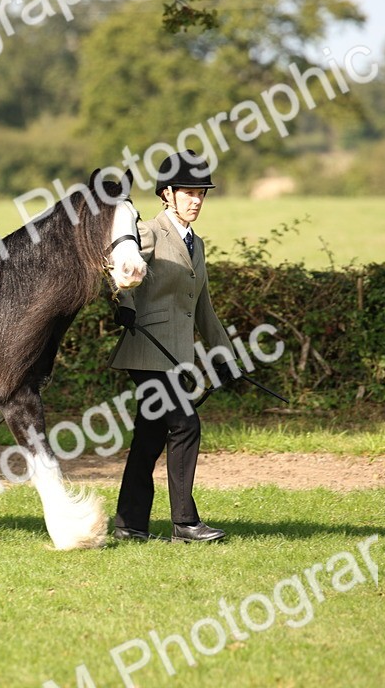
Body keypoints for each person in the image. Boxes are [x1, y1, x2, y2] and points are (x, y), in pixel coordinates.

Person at [108, 150, 238, 543]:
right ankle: (185, 522)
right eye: (188, 192)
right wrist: (124, 304)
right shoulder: (147, 232)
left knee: (149, 439)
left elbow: (204, 308)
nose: (196, 200)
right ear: (167, 194)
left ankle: (130, 524)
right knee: (184, 425)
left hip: (176, 355)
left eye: (202, 193)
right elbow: (120, 269)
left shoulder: (196, 245)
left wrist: (225, 356)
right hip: (146, 349)